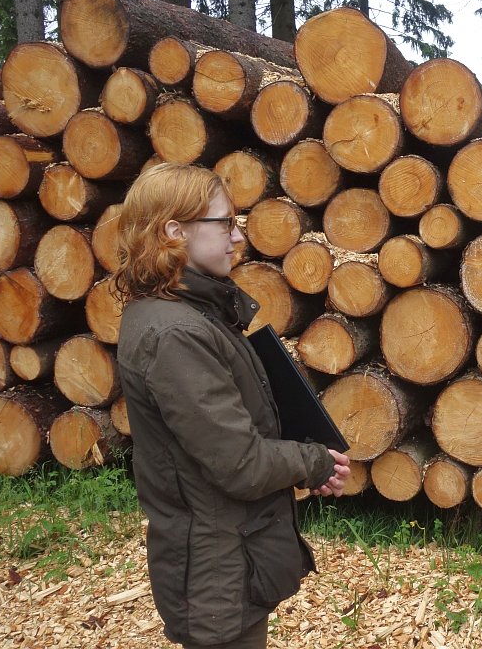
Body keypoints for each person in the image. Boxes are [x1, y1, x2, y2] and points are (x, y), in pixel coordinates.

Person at [114, 162, 351, 649]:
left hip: (225, 556)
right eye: (224, 223)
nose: (238, 237)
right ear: (174, 231)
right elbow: (240, 463)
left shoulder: (189, 315)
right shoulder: (176, 333)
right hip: (215, 572)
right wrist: (315, 461)